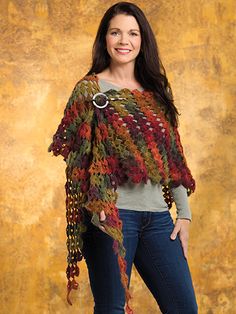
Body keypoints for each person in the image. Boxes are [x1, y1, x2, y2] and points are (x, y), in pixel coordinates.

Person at [48, 2, 198, 313]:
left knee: (184, 307)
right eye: (115, 32)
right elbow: (78, 160)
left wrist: (183, 215)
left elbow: (173, 161)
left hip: (158, 220)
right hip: (112, 218)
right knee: (112, 308)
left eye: (132, 33)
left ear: (143, 41)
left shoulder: (156, 94)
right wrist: (98, 203)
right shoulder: (89, 90)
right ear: (105, 38)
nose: (124, 41)